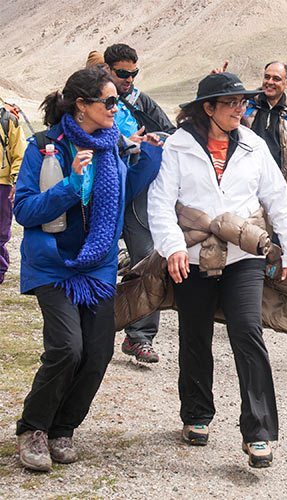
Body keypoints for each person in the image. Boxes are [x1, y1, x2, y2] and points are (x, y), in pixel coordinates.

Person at [147, 72, 287, 468]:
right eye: (231, 102)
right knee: (194, 336)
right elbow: (161, 203)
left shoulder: (253, 145)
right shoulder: (178, 147)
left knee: (248, 333)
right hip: (194, 256)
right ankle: (197, 415)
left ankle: (260, 433)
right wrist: (172, 248)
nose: (241, 108)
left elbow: (276, 200)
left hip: (243, 256)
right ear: (208, 108)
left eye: (242, 102)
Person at [12, 67, 162, 472]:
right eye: (109, 102)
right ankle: (33, 429)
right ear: (82, 105)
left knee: (98, 353)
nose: (116, 108)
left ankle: (64, 427)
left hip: (97, 266)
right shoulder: (44, 147)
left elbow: (125, 196)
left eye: (117, 101)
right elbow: (24, 209)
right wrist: (69, 185)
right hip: (53, 264)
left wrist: (147, 155)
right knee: (66, 349)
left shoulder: (113, 147)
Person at [104, 43, 176, 363]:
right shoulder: (91, 98)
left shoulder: (140, 101)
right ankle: (92, 332)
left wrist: (153, 142)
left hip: (139, 193)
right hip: (100, 191)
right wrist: (123, 143)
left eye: (134, 73)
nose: (129, 79)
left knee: (147, 259)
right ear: (107, 69)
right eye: (122, 73)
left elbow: (170, 133)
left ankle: (140, 337)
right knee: (98, 259)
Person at [248, 61, 287, 193]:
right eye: (267, 77)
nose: (269, 82)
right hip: (247, 183)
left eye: (276, 79)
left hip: (279, 188)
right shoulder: (245, 107)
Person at [0, 97, 26, 285]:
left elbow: (19, 153)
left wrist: (16, 180)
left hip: (3, 184)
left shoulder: (8, 118)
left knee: (1, 233)